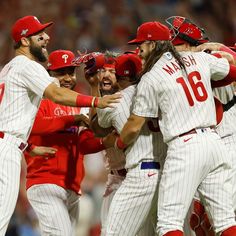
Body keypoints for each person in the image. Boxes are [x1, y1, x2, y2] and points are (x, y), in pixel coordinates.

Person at [111, 21, 236, 236]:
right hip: (214, 144)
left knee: (168, 223)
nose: (139, 52)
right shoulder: (199, 58)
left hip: (185, 147)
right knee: (225, 220)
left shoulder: (151, 77)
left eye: (141, 46)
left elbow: (133, 126)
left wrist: (120, 143)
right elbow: (231, 72)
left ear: (152, 44)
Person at [0, 15, 120, 235]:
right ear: (25, 40)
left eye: (70, 71)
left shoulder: (10, 70)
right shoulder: (28, 69)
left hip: (16, 148)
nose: (46, 37)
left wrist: (27, 146)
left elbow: (10, 120)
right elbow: (52, 98)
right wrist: (96, 100)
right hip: (31, 170)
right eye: (39, 34)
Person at [24, 49, 115, 236]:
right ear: (49, 74)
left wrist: (110, 141)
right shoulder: (37, 98)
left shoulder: (76, 102)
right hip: (45, 181)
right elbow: (34, 126)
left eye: (71, 72)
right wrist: (71, 120)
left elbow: (85, 144)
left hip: (72, 186)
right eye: (60, 72)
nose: (67, 78)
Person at [165, 16, 236, 236]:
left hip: (227, 138)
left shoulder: (213, 57)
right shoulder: (193, 62)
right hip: (205, 142)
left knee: (220, 217)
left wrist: (220, 49)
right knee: (199, 218)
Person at [96, 52, 167, 236]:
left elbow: (99, 127)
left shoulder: (113, 101)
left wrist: (98, 91)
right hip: (168, 175)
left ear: (118, 77)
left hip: (141, 174)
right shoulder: (159, 92)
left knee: (112, 233)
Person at [74, 52, 127, 235]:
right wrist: (94, 87)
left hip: (136, 176)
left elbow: (92, 138)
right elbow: (86, 143)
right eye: (102, 71)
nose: (105, 75)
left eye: (111, 71)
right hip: (117, 178)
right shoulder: (96, 102)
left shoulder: (126, 99)